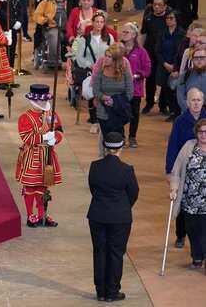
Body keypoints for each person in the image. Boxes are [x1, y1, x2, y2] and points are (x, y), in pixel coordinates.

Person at [87, 131, 138, 302]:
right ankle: (112, 292)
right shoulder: (127, 170)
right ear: (121, 148)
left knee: (99, 252)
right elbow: (133, 193)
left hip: (97, 214)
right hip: (120, 217)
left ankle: (100, 291)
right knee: (116, 254)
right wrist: (123, 206)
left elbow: (93, 188)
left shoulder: (95, 166)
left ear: (105, 147)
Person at [16, 84, 63, 227]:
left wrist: (55, 138)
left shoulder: (52, 115)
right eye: (41, 101)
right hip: (32, 156)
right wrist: (43, 138)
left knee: (43, 187)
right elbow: (27, 138)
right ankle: (31, 215)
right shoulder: (25, 117)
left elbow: (59, 130)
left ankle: (43, 214)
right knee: (30, 187)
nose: (44, 103)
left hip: (47, 155)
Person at [169, 117, 206, 271]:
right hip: (190, 200)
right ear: (196, 133)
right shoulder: (188, 147)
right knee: (193, 231)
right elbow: (176, 169)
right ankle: (197, 258)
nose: (204, 135)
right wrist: (174, 188)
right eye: (201, 132)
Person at [92, 43, 133, 149]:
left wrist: (114, 101)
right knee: (106, 140)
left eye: (109, 56)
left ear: (116, 59)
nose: (105, 58)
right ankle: (105, 160)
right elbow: (96, 90)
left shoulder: (124, 73)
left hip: (119, 111)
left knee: (117, 141)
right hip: (103, 111)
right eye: (106, 55)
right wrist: (103, 97)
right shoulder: (100, 72)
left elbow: (129, 92)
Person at [119, 23, 151, 147]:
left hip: (135, 88)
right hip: (119, 87)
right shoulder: (117, 48)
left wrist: (136, 75)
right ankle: (120, 136)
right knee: (120, 112)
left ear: (134, 35)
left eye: (126, 32)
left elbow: (147, 69)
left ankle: (132, 137)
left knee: (134, 113)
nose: (124, 34)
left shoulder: (141, 51)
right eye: (123, 32)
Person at [141, 0, 170, 114]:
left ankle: (163, 105)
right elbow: (143, 34)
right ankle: (149, 103)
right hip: (150, 53)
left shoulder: (169, 19)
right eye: (154, 4)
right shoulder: (148, 18)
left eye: (159, 5)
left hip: (164, 54)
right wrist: (141, 52)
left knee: (163, 79)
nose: (156, 7)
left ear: (165, 6)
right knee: (150, 78)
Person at [32, 0, 69, 66]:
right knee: (54, 35)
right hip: (52, 28)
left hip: (68, 29)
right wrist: (45, 21)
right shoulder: (46, 2)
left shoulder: (70, 2)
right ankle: (54, 62)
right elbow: (36, 15)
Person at [176, 47, 206, 115]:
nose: (199, 60)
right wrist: (192, 112)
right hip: (188, 115)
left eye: (202, 57)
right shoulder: (185, 76)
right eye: (196, 58)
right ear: (192, 60)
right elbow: (180, 97)